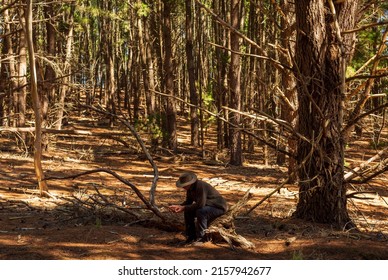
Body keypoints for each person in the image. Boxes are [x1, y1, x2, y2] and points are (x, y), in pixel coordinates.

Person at [169, 172, 228, 245]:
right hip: (207, 206)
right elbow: (188, 202)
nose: (183, 187)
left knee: (201, 212)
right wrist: (178, 206)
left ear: (190, 183)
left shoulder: (200, 186)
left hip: (218, 207)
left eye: (184, 185)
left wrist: (183, 207)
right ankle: (191, 237)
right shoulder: (190, 189)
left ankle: (202, 238)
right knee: (188, 212)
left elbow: (200, 204)